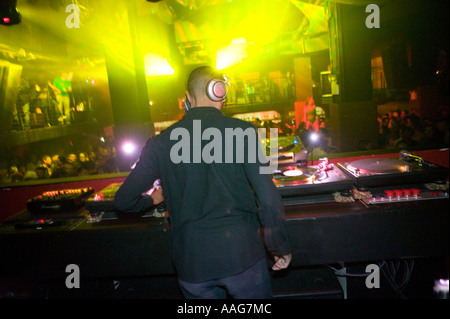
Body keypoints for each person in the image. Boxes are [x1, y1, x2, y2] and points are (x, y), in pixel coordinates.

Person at [114, 66, 292, 299]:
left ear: (188, 98)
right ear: (222, 94)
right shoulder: (245, 132)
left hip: (193, 263)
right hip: (242, 256)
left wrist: (153, 198)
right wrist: (278, 247)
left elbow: (123, 201)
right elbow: (267, 197)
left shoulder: (161, 143)